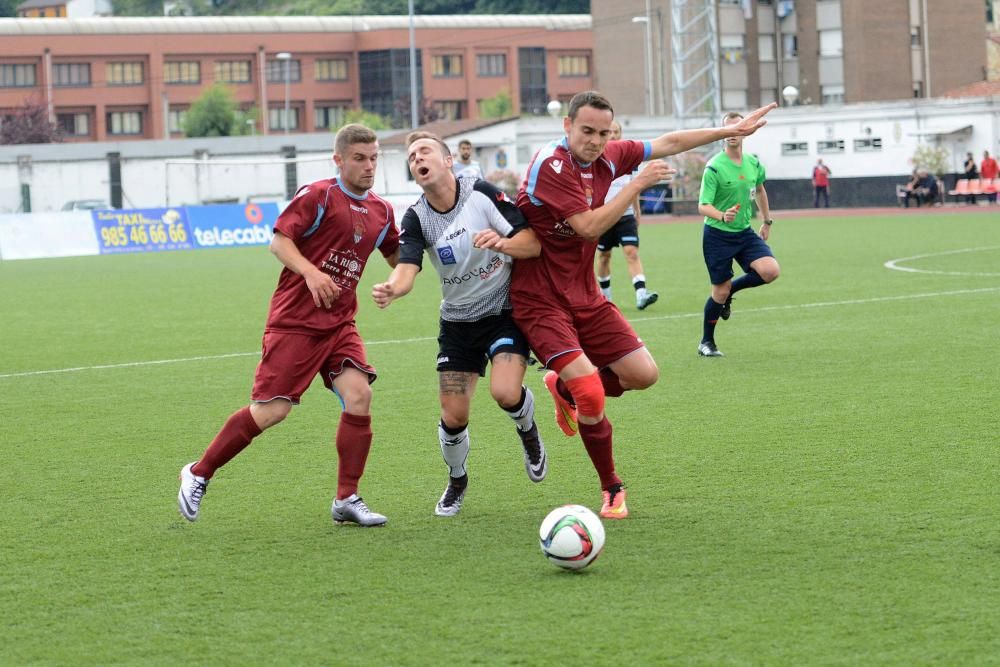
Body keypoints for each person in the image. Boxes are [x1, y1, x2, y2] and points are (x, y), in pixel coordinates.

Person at [510, 90, 776, 519]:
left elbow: (668, 142)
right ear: (567, 127)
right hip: (540, 300)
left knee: (643, 374)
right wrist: (635, 183)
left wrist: (729, 130)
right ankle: (612, 488)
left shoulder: (607, 156)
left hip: (585, 295)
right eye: (586, 131)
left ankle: (562, 387)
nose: (595, 141)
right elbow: (588, 226)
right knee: (592, 394)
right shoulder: (552, 165)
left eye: (602, 133)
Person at [177, 124, 401, 527]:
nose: (369, 167)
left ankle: (347, 498)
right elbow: (279, 241)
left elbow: (398, 255)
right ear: (339, 160)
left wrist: (397, 282)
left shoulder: (382, 211)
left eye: (374, 159)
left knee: (359, 396)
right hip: (295, 322)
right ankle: (198, 472)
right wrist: (312, 274)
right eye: (359, 158)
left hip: (339, 324)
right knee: (271, 411)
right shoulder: (319, 195)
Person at [371, 131, 547, 517]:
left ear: (448, 161)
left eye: (425, 150)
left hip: (503, 313)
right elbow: (407, 266)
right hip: (458, 325)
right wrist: (393, 289)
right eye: (412, 155)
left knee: (504, 393)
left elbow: (531, 243)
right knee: (454, 416)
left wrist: (501, 244)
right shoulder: (416, 217)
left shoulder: (481, 193)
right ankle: (457, 479)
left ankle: (528, 430)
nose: (418, 157)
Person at [696, 110, 780, 358]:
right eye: (728, 128)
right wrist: (722, 215)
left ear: (745, 130)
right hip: (717, 235)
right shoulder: (714, 167)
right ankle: (706, 342)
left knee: (770, 271)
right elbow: (702, 205)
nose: (733, 133)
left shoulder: (753, 163)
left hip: (744, 232)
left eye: (738, 127)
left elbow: (761, 191)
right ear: (723, 133)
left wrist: (766, 221)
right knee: (718, 292)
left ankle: (731, 290)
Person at [595, 120, 659, 311]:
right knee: (604, 256)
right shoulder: (596, 158)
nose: (613, 135)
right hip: (604, 215)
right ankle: (606, 299)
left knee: (631, 252)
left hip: (626, 215)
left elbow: (634, 187)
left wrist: (637, 211)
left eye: (617, 132)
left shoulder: (629, 160)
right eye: (610, 132)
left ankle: (641, 294)